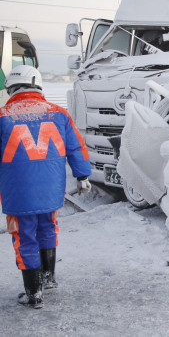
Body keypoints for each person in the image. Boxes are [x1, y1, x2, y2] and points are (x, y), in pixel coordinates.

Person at [0, 65, 92, 309]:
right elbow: (76, 148)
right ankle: (49, 279)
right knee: (48, 228)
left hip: (18, 195)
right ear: (37, 84)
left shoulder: (2, 116)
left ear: (11, 88)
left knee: (24, 237)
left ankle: (34, 293)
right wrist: (82, 175)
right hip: (51, 191)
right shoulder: (59, 113)